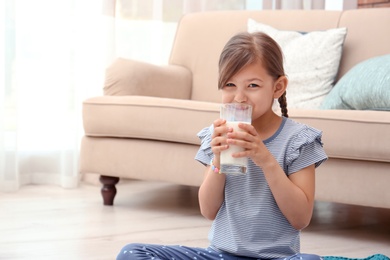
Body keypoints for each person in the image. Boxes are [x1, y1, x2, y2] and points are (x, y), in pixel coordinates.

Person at [116, 31, 328, 260]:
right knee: (131, 253)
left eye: (253, 85)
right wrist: (218, 159)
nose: (239, 97)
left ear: (278, 87)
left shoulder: (298, 140)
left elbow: (300, 218)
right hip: (220, 256)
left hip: (276, 258)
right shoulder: (216, 136)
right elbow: (208, 210)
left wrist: (266, 160)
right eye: (229, 84)